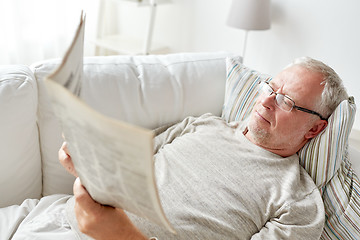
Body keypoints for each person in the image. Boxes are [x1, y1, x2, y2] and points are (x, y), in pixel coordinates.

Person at [59, 57, 348, 240]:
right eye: (269, 88)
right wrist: (88, 155)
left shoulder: (298, 202)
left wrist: (120, 235)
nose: (267, 101)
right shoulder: (205, 125)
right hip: (61, 224)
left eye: (286, 101)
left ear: (314, 129)